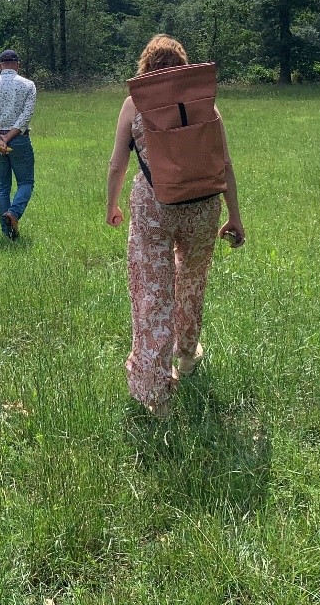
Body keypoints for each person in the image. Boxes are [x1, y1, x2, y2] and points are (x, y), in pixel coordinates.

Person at [104, 34, 245, 418]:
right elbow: (225, 164)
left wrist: (112, 203)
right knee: (192, 282)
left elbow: (118, 163)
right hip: (203, 208)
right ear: (183, 67)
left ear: (145, 69)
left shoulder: (135, 104)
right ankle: (186, 356)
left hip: (154, 208)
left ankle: (156, 394)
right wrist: (235, 215)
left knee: (152, 294)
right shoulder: (206, 106)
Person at [0, 48, 37, 239]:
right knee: (26, 182)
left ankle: (7, 233)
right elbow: (25, 117)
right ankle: (14, 213)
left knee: (2, 187)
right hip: (19, 139)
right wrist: (8, 138)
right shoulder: (28, 85)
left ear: (0, 65)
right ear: (18, 65)